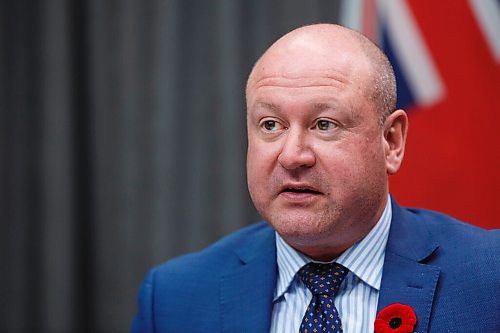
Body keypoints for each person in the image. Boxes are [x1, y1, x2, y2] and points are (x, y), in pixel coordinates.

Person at [131, 24, 499, 333]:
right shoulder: (173, 299)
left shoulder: (490, 279)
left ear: (391, 141)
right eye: (270, 125)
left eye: (325, 125)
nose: (292, 156)